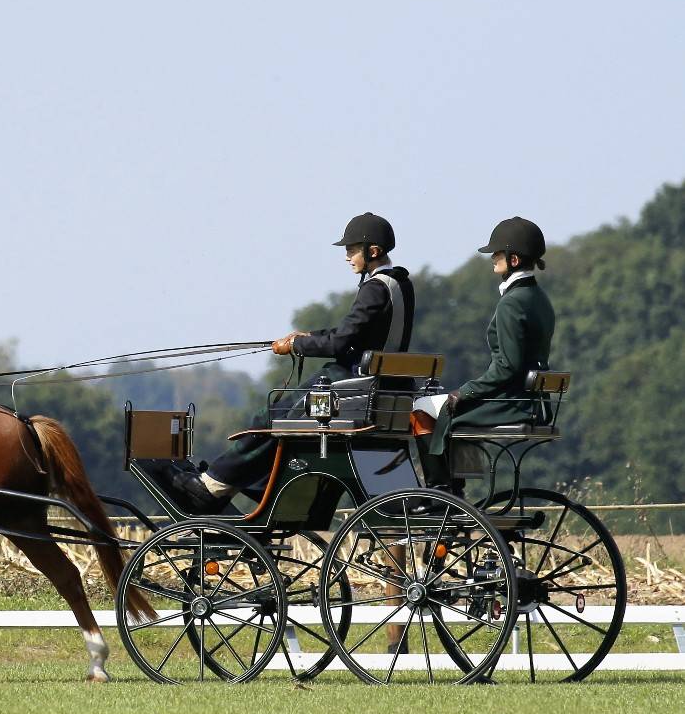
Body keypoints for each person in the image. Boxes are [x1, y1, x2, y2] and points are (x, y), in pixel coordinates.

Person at [170, 212, 415, 512]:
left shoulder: (373, 288)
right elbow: (352, 334)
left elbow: (341, 343)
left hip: (350, 384)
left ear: (372, 251)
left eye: (352, 250)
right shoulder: (400, 284)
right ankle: (254, 485)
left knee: (269, 417)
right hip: (384, 385)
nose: (348, 256)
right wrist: (307, 335)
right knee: (278, 416)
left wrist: (297, 345)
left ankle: (214, 485)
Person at [421, 216, 555, 489]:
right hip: (531, 402)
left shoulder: (512, 303)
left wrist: (467, 391)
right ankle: (455, 491)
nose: (493, 258)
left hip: (510, 402)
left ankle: (440, 494)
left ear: (514, 259)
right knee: (444, 407)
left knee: (421, 410)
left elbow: (507, 366)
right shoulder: (539, 298)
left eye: (497, 253)